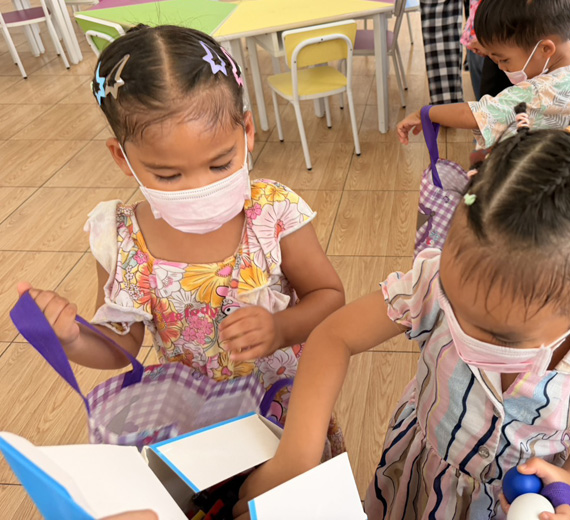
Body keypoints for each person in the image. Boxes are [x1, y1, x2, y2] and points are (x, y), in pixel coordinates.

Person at [233, 121, 570, 520]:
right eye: (453, 299)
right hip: (418, 482)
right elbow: (334, 336)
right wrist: (297, 455)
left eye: (498, 335)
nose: (459, 328)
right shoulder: (431, 283)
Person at [16, 25, 346, 458]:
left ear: (247, 131)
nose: (198, 187)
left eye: (220, 164)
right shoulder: (122, 239)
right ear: (122, 157)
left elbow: (329, 296)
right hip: (197, 425)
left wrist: (282, 327)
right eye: (168, 175)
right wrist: (73, 338)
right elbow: (122, 346)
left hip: (286, 410)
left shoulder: (273, 212)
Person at [398, 0, 570, 150]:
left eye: (504, 59)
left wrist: (426, 113)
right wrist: (494, 50)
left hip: (526, 168)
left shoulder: (538, 93)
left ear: (545, 49)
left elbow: (475, 114)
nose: (501, 67)